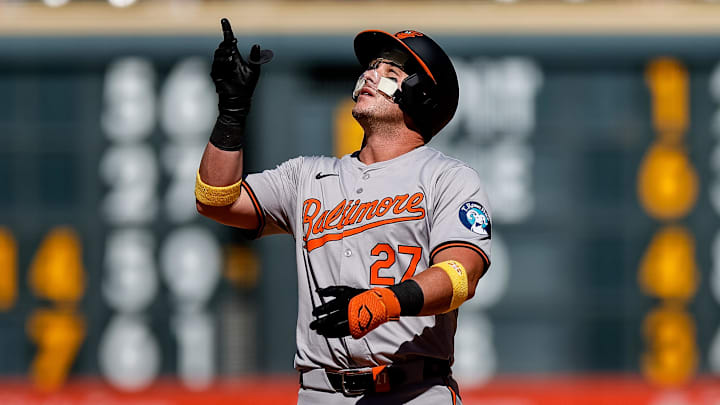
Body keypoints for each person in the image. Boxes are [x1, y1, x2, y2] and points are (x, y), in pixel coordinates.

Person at [196, 18, 492, 405]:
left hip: (414, 391)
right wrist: (232, 113)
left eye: (390, 71)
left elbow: (461, 275)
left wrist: (384, 302)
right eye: (371, 66)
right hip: (320, 392)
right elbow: (215, 199)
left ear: (422, 95)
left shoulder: (447, 178)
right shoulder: (305, 175)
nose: (370, 74)